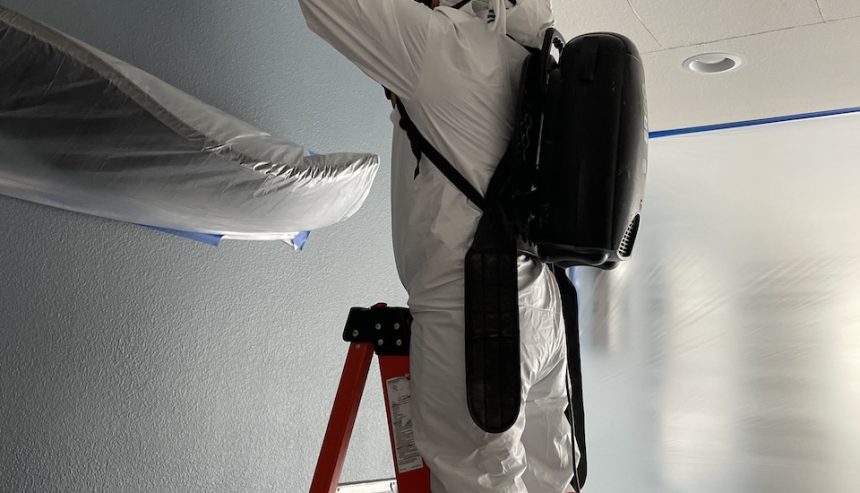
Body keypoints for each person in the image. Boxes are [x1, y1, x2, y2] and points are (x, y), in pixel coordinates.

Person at [299, 0, 576, 491]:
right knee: (550, 479)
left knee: (481, 480)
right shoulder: (532, 53)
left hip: (474, 316)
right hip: (540, 304)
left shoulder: (439, 47)